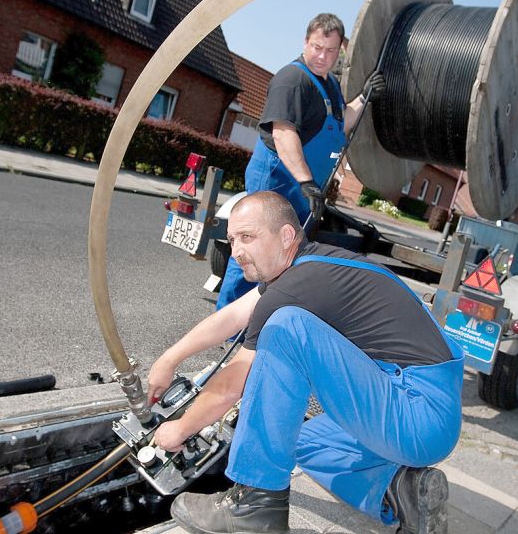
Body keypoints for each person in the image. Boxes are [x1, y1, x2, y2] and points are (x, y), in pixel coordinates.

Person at [148, 191, 463, 534]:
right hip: (418, 409)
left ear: (285, 236)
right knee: (301, 441)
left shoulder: (295, 287)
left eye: (248, 237)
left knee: (286, 327)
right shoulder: (308, 268)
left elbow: (232, 384)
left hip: (417, 413)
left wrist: (179, 429)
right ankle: (398, 489)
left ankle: (256, 504)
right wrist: (169, 359)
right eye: (232, 239)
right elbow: (233, 315)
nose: (236, 251)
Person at [215, 13, 386, 311]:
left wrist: (364, 96)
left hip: (301, 187)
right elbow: (283, 134)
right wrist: (307, 182)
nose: (322, 56)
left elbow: (342, 121)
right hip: (277, 180)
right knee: (254, 250)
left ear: (340, 51)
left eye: (331, 51)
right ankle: (229, 325)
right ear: (306, 41)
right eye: (317, 47)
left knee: (281, 255)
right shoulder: (292, 80)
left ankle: (258, 318)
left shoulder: (330, 85)